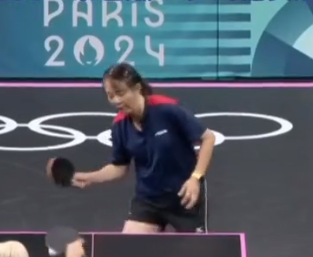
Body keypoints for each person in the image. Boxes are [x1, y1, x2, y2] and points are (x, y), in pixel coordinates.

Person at [72, 63, 216, 233]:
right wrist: (90, 177)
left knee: (197, 250)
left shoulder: (167, 109)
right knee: (130, 247)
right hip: (149, 200)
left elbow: (208, 138)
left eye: (120, 93)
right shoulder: (120, 125)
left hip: (185, 196)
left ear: (137, 88)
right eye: (110, 95)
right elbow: (119, 167)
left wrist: (195, 178)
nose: (116, 100)